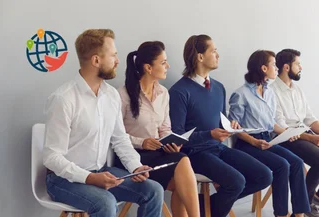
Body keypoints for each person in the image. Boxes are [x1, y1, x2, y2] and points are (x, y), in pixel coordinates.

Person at [43, 29, 163, 217]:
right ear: (96, 60)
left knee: (153, 191)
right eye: (113, 55)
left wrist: (135, 166)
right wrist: (89, 178)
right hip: (63, 179)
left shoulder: (111, 95)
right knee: (106, 203)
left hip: (100, 171)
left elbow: (120, 139)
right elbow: (51, 157)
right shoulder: (63, 99)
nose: (117, 60)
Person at [169, 34, 273, 217]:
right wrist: (210, 134)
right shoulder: (179, 91)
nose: (218, 55)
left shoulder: (218, 88)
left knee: (264, 175)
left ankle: (202, 206)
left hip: (218, 148)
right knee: (236, 181)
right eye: (214, 51)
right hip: (195, 153)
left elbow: (219, 122)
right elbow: (178, 136)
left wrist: (230, 126)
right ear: (200, 56)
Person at [116, 41, 200, 217]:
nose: (168, 66)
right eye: (163, 62)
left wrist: (171, 142)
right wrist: (142, 142)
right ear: (148, 67)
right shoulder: (122, 95)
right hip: (132, 157)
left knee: (182, 160)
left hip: (158, 153)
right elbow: (115, 135)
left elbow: (165, 128)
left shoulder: (164, 93)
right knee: (182, 170)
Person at [228, 50, 310, 217]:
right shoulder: (241, 94)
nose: (276, 68)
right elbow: (234, 129)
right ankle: (281, 214)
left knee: (297, 163)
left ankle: (299, 213)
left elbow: (270, 124)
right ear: (264, 68)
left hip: (267, 140)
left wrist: (288, 132)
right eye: (273, 65)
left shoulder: (269, 92)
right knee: (282, 165)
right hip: (248, 144)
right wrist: (253, 142)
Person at [271, 48, 319, 217]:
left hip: (305, 133)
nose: (301, 67)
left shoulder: (297, 89)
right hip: (286, 138)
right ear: (286, 67)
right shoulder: (272, 91)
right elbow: (282, 128)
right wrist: (312, 138)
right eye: (298, 64)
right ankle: (304, 204)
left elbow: (309, 117)